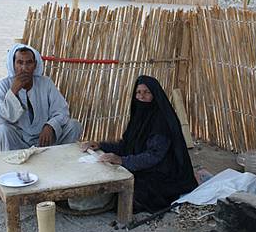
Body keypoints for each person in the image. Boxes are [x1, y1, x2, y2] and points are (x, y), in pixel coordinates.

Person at [81, 75, 197, 212]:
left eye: (147, 92)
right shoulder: (139, 116)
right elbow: (127, 145)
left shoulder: (161, 122)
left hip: (162, 173)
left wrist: (122, 160)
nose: (141, 96)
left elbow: (154, 156)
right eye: (138, 92)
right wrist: (101, 145)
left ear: (155, 95)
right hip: (142, 167)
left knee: (130, 194)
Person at [0, 44, 82, 151]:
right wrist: (13, 91)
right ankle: (13, 165)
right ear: (13, 64)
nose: (24, 68)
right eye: (20, 63)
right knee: (1, 131)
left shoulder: (46, 83)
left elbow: (61, 110)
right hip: (19, 140)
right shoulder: (4, 85)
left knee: (74, 125)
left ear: (35, 65)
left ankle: (58, 160)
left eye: (29, 62)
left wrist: (50, 126)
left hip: (45, 139)